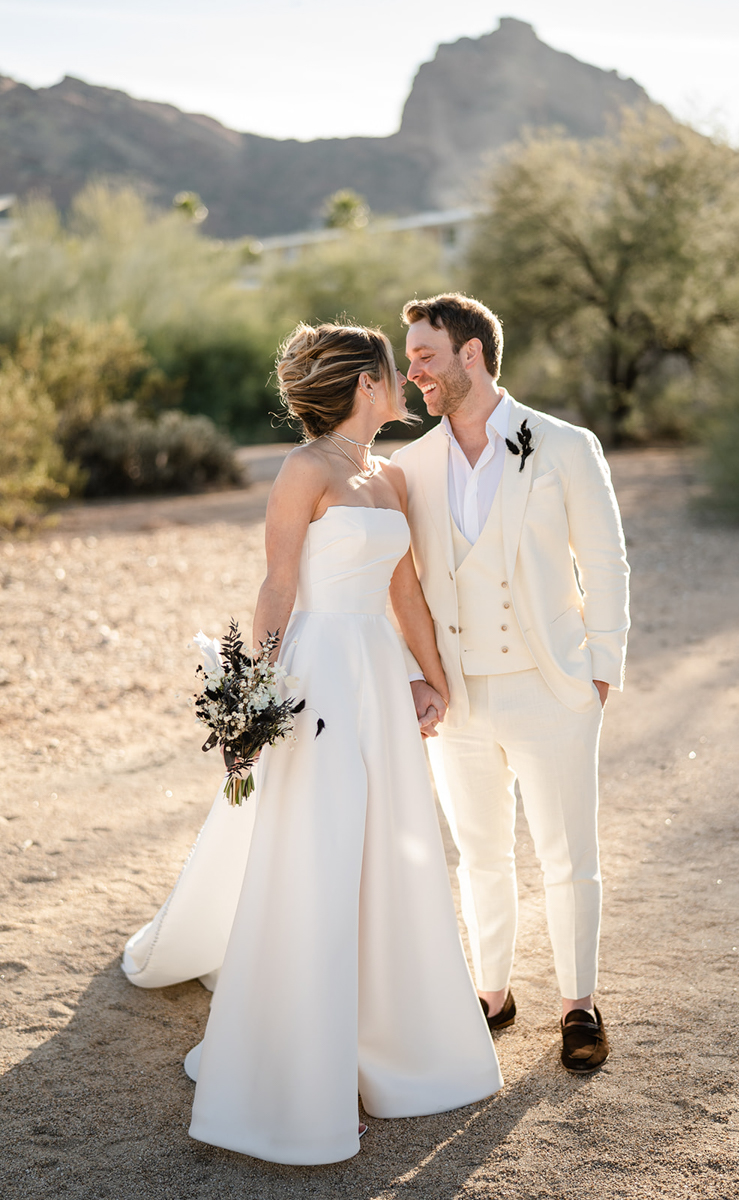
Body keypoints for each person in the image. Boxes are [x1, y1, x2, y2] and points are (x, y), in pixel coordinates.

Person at [122, 321, 502, 1165]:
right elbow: (279, 585)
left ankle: (394, 1046)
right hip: (321, 677)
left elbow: (404, 593)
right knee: (321, 859)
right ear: (366, 383)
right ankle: (307, 1076)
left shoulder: (392, 475)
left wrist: (430, 678)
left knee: (389, 860)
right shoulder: (304, 470)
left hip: (377, 674)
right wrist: (252, 697)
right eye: (390, 371)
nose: (404, 379)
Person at [392, 293, 630, 1072]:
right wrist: (417, 677)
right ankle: (491, 994)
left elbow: (605, 561)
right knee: (480, 854)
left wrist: (598, 670)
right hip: (456, 696)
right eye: (410, 356)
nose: (413, 371)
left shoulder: (564, 445)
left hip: (550, 687)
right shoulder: (411, 465)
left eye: (425, 354)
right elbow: (401, 582)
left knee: (569, 856)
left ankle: (578, 1004)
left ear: (472, 354)